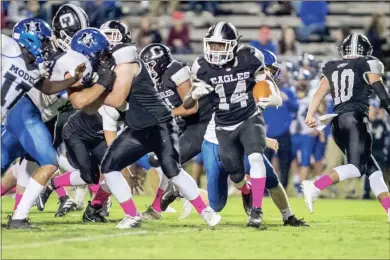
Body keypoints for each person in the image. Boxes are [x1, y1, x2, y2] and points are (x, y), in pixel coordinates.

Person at [66, 27, 220, 229]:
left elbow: (117, 97)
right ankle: (132, 214)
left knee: (172, 170)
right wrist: (86, 90)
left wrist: (95, 88)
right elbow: (93, 105)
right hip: (137, 127)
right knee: (109, 167)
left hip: (159, 122)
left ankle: (205, 211)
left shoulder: (123, 59)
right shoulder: (104, 68)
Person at [182, 21, 282, 228]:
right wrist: (194, 94)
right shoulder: (202, 67)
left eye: (220, 45)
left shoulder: (250, 58)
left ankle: (257, 210)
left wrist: (272, 96)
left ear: (233, 45)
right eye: (212, 45)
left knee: (256, 157)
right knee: (234, 177)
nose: (215, 49)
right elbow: (187, 104)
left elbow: (266, 80)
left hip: (248, 117)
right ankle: (244, 189)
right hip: (223, 126)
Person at [3, 17, 90, 229]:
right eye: (43, 41)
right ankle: (18, 218)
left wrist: (71, 80)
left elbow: (49, 87)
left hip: (13, 114)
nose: (46, 45)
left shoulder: (34, 69)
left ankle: (18, 216)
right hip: (22, 112)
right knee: (50, 162)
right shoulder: (7, 45)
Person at [302, 33, 390, 222]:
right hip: (355, 119)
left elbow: (319, 94)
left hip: (337, 123)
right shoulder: (368, 64)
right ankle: (316, 185)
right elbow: (383, 96)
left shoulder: (333, 67)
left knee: (373, 171)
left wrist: (310, 114)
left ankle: (389, 210)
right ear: (366, 51)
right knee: (357, 168)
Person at [139, 43, 214, 219]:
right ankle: (163, 201)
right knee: (164, 161)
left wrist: (165, 115)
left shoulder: (176, 72)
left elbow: (191, 107)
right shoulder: (154, 81)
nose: (147, 70)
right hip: (182, 123)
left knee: (169, 161)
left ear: (160, 63)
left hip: (201, 122)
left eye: (149, 65)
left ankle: (168, 199)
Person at [262, 50, 299, 189]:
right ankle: (265, 188)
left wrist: (287, 99)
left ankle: (283, 186)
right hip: (266, 132)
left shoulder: (288, 91)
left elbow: (296, 107)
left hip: (284, 132)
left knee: (286, 162)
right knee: (264, 162)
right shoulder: (262, 88)